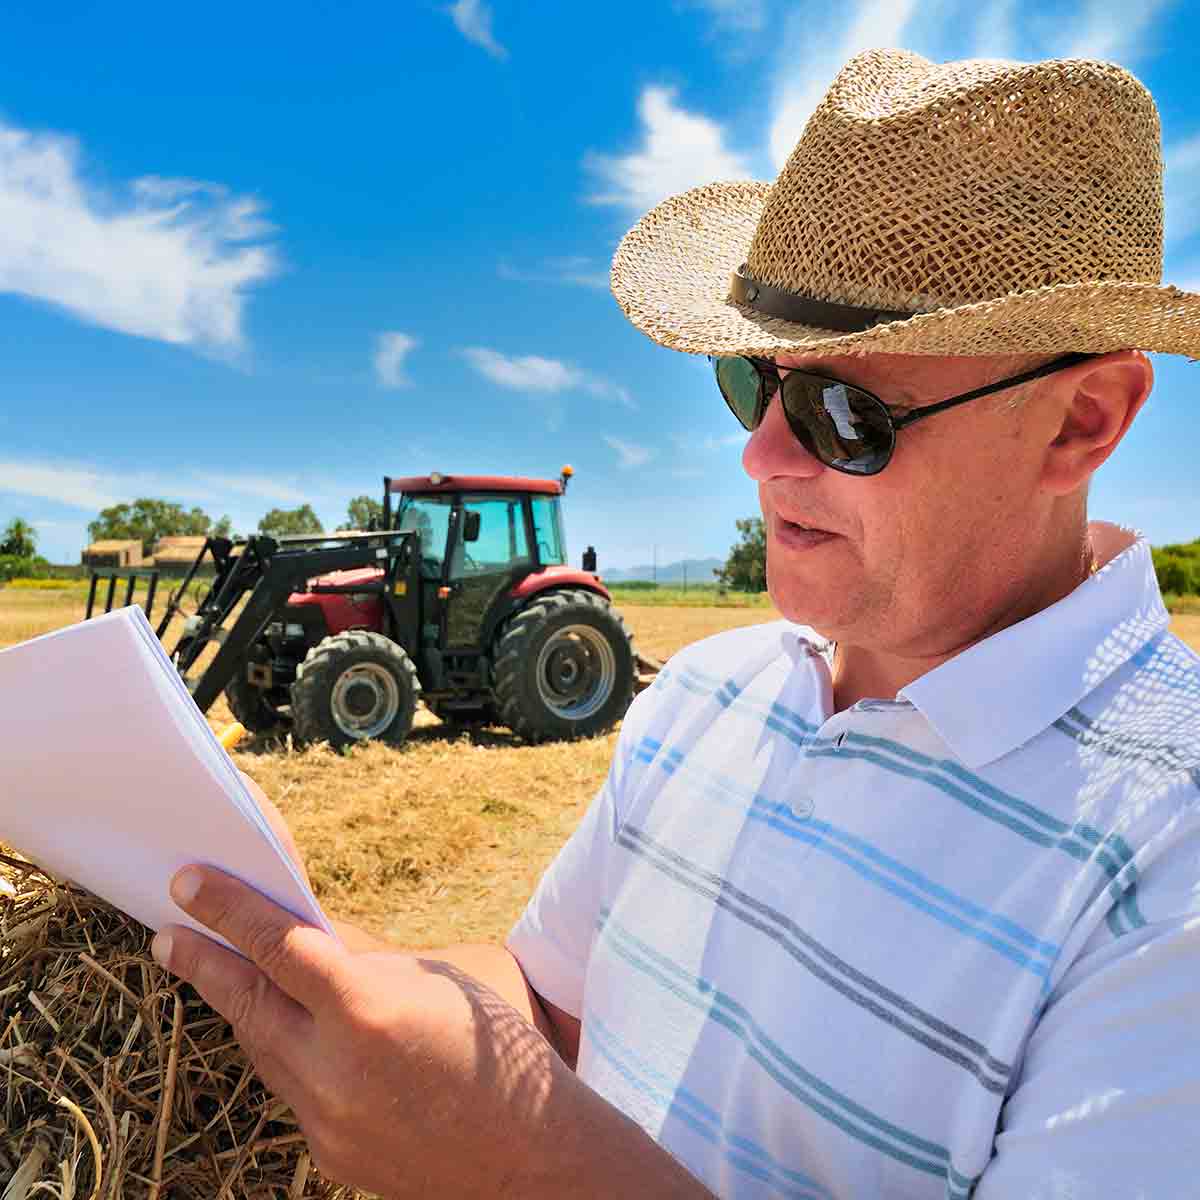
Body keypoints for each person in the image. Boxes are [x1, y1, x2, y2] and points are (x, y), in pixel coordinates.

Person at [151, 49, 1200, 1198]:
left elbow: (517, 1130)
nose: (760, 456)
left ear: (1082, 422)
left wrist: (517, 1169)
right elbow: (545, 1002)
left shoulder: (1168, 866)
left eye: (843, 411)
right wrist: (307, 970)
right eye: (754, 386)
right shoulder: (708, 693)